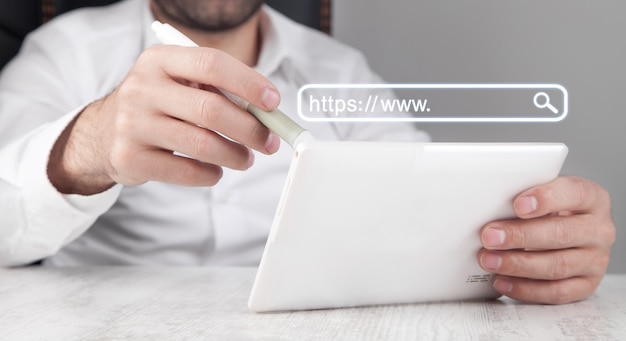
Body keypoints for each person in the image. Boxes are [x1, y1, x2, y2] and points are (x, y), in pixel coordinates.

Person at [0, 0, 615, 305]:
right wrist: (86, 145)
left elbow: (423, 197)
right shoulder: (66, 52)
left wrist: (531, 239)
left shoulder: (338, 71)